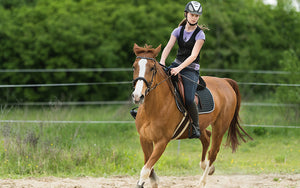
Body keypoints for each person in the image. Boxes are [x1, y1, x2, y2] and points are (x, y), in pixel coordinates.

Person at [160, 1, 208, 139]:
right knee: (155, 81)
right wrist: (162, 62)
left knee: (188, 98)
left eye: (197, 16)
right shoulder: (177, 31)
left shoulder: (200, 35)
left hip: (190, 70)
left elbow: (193, 56)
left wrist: (179, 68)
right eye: (192, 15)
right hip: (176, 65)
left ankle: (196, 127)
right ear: (186, 14)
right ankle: (141, 111)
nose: (194, 18)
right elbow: (168, 47)